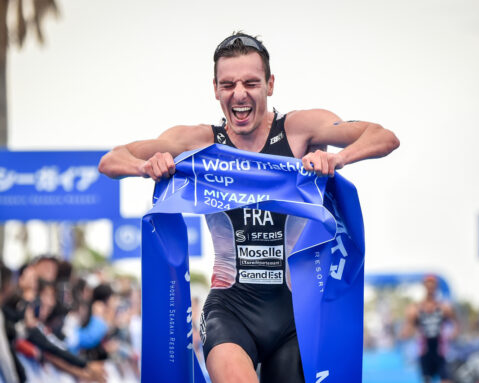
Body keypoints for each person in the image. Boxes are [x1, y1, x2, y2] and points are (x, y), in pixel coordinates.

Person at [99, 32, 399, 383]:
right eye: (228, 84)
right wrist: (146, 166)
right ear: (215, 89)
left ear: (270, 85)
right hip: (230, 308)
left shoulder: (299, 131)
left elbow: (383, 137)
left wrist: (336, 158)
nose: (239, 93)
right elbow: (111, 160)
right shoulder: (201, 142)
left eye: (250, 83)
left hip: (294, 314)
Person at [401, 275, 458, 383]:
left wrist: (453, 333)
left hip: (440, 350)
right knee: (427, 379)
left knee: (446, 379)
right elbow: (408, 326)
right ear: (424, 287)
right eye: (428, 286)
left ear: (436, 287)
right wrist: (406, 332)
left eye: (433, 286)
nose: (431, 289)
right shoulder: (416, 309)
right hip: (425, 351)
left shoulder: (444, 307)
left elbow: (455, 323)